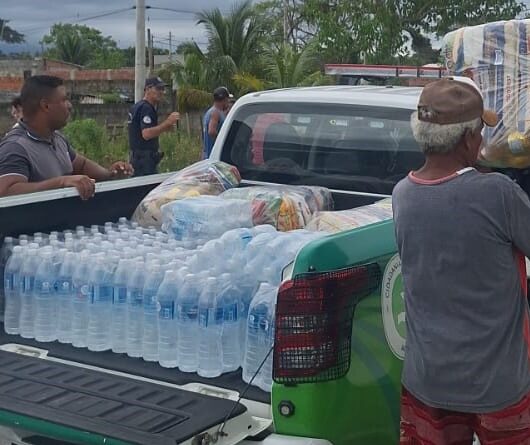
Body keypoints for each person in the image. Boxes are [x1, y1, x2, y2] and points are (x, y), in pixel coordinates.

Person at [393, 76, 530, 444]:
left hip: (428, 380)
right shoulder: (498, 194)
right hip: (496, 385)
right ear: (469, 139)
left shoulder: (402, 195)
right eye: (480, 133)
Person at [0, 75, 133, 200]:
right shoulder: (16, 146)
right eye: (64, 100)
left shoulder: (57, 139)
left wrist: (111, 174)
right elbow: (6, 191)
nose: (69, 106)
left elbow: (81, 165)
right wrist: (61, 182)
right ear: (45, 106)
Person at [128, 76, 180, 176]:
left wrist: (165, 128)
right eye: (158, 89)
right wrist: (167, 123)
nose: (162, 92)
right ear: (148, 89)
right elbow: (146, 134)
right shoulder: (146, 108)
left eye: (162, 89)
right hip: (144, 159)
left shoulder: (137, 106)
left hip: (137, 157)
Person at [203, 86, 233, 159]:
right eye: (228, 99)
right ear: (225, 99)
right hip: (214, 156)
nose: (228, 102)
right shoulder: (216, 113)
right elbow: (211, 131)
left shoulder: (210, 112)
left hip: (208, 155)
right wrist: (222, 140)